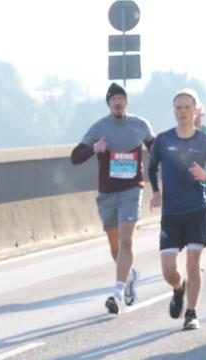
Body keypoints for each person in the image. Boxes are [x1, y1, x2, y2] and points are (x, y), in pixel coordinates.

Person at [71, 83, 155, 314]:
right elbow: (75, 157)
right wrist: (94, 149)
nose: (118, 102)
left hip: (132, 189)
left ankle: (116, 293)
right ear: (109, 103)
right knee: (115, 246)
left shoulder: (140, 125)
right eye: (113, 99)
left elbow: (156, 149)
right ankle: (130, 275)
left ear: (126, 102)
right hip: (108, 192)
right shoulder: (99, 127)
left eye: (121, 98)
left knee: (127, 240)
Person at [149, 90, 206, 330]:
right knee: (168, 269)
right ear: (174, 112)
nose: (183, 112)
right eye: (178, 108)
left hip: (197, 209)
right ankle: (178, 287)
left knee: (193, 263)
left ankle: (191, 313)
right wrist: (155, 190)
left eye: (187, 107)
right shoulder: (163, 140)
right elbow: (152, 168)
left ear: (196, 111)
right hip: (171, 213)